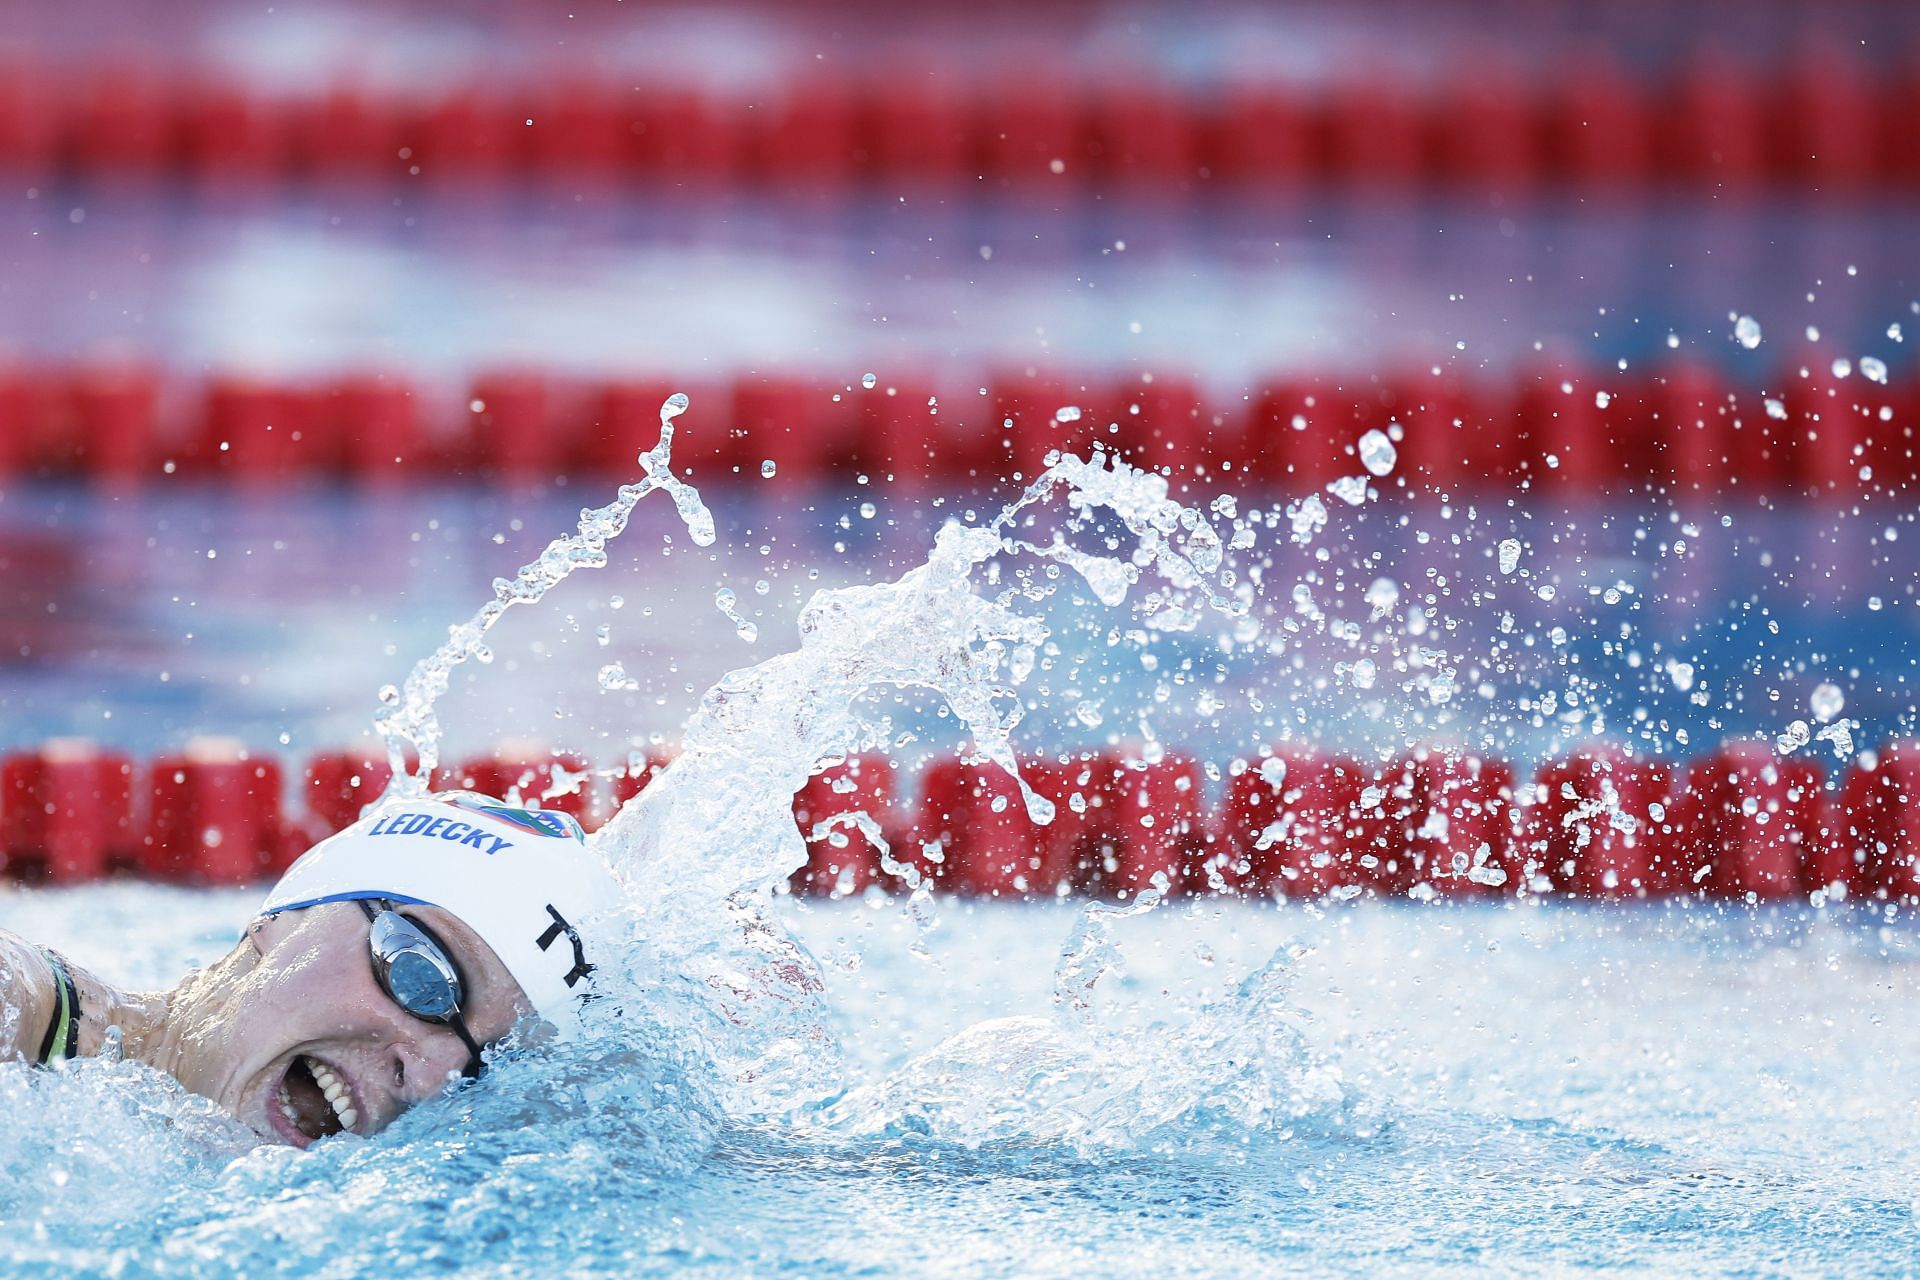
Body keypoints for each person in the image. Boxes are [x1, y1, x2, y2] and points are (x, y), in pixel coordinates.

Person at [0, 791, 619, 1148]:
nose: (433, 1078)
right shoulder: (25, 1020)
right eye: (423, 978)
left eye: (490, 1062)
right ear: (286, 919)